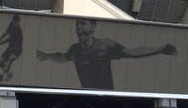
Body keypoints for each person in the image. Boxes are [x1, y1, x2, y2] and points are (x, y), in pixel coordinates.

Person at [36, 19, 176, 89]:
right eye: (77, 24)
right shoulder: (75, 49)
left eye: (82, 24)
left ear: (93, 27)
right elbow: (62, 57)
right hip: (86, 95)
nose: (78, 27)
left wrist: (160, 49)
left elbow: (132, 52)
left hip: (106, 95)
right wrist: (46, 56)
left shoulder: (105, 45)